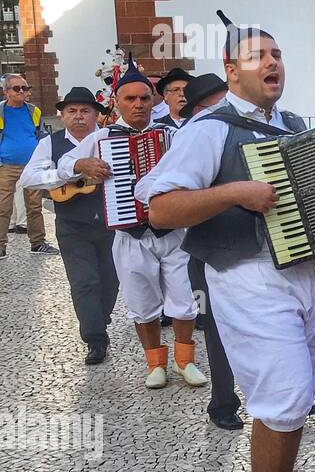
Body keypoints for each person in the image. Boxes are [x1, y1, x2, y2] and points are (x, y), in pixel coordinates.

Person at [141, 12, 315, 472]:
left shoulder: (292, 125)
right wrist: (236, 191)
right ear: (230, 70)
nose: (273, 63)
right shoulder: (208, 130)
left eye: (277, 54)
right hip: (249, 279)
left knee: (297, 400)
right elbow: (158, 207)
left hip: (311, 276)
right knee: (284, 401)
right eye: (260, 56)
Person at [58, 56, 206, 390]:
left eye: (144, 98)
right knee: (141, 301)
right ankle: (155, 363)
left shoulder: (173, 134)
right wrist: (83, 162)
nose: (138, 104)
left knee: (184, 298)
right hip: (129, 232)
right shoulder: (101, 137)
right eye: (130, 99)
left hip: (174, 231)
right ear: (117, 102)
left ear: (153, 100)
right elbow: (67, 161)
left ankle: (185, 361)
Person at [167, 72, 244, 431]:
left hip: (252, 247)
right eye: (221, 99)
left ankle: (291, 397)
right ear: (201, 108)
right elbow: (162, 199)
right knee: (217, 328)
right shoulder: (194, 136)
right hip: (207, 251)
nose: (230, 104)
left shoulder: (251, 126)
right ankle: (223, 402)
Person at [19, 87, 118, 363]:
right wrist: (69, 174)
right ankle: (95, 339)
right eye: (72, 111)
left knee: (111, 279)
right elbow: (28, 179)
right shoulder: (50, 144)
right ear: (62, 116)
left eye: (85, 111)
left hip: (111, 221)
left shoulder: (110, 139)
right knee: (83, 281)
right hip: (72, 223)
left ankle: (99, 319)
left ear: (97, 115)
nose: (78, 117)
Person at [0, 72, 59, 258]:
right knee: (3, 206)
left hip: (32, 164)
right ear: (6, 92)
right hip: (6, 164)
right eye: (17, 88)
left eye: (25, 88)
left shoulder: (34, 111)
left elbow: (40, 134)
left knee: (34, 206)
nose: (22, 91)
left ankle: (38, 243)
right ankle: (1, 245)